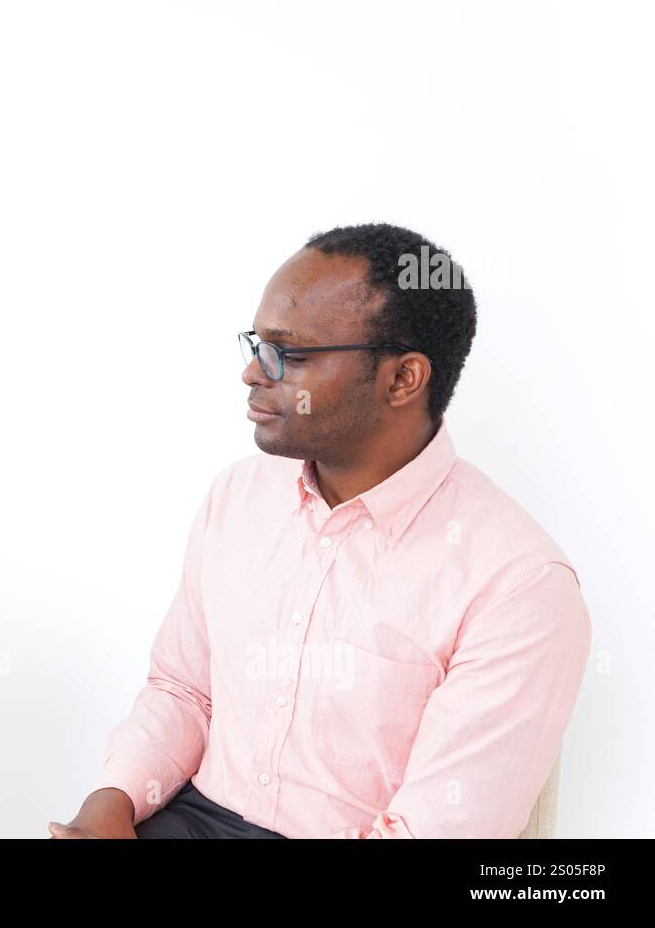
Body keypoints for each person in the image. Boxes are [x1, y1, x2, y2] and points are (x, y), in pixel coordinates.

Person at [50, 222, 591, 839]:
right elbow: (183, 690)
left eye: (292, 354)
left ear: (403, 378)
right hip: (191, 816)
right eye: (256, 344)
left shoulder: (519, 584)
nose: (254, 374)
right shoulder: (240, 496)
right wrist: (110, 805)